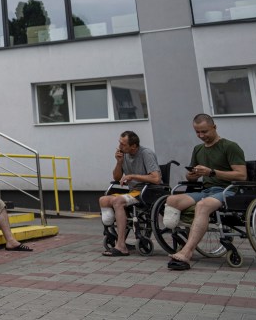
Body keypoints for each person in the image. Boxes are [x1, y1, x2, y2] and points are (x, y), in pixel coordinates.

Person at [162, 114, 246, 271]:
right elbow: (192, 177)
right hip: (207, 190)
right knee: (171, 200)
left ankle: (187, 252)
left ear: (214, 127)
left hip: (228, 191)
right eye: (197, 132)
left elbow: (241, 175)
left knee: (202, 205)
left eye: (205, 132)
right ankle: (182, 240)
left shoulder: (230, 146)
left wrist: (211, 172)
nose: (201, 136)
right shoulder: (198, 149)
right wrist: (191, 176)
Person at [97, 130, 160, 257]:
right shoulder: (124, 155)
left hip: (148, 192)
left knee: (118, 201)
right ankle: (112, 235)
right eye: (119, 143)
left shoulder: (146, 154)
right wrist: (119, 162)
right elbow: (116, 177)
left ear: (133, 146)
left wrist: (132, 176)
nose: (119, 147)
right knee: (103, 200)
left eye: (123, 144)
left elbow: (156, 179)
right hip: (133, 192)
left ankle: (121, 246)